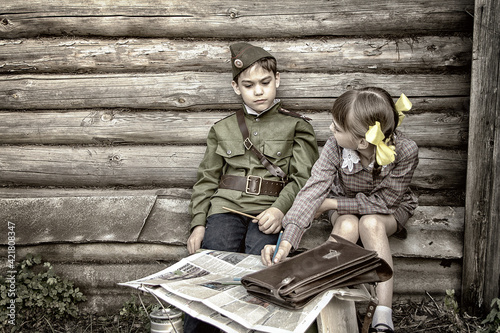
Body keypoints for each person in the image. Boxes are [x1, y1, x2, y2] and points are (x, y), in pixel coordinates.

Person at [184, 42, 319, 333]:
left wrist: (280, 210)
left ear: (277, 80)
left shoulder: (297, 127)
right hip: (226, 209)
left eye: (265, 83)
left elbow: (303, 179)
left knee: (263, 272)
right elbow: (207, 179)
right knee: (211, 268)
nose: (258, 91)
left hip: (268, 214)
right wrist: (198, 224)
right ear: (236, 88)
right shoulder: (223, 128)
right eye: (249, 85)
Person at [261, 87, 419, 333]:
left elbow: (384, 202)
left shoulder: (406, 151)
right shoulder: (335, 147)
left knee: (370, 223)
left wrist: (331, 204)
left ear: (362, 141)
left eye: (337, 127)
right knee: (348, 225)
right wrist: (287, 241)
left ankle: (383, 316)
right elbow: (313, 190)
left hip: (389, 209)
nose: (331, 130)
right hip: (345, 203)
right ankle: (326, 304)